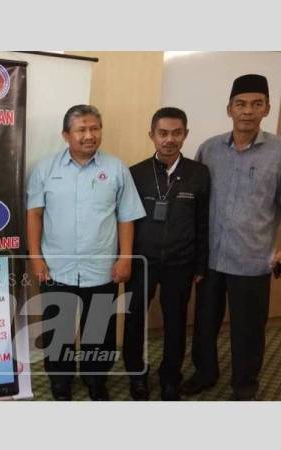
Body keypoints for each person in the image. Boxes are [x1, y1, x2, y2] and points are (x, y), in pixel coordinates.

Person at [26, 104, 146, 401]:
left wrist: (125, 257)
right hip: (56, 266)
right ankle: (60, 382)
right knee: (58, 328)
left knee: (100, 330)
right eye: (81, 130)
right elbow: (35, 216)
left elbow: (126, 217)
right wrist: (36, 257)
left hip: (102, 267)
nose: (89, 135)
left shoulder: (116, 169)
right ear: (66, 135)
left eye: (94, 128)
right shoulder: (45, 169)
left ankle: (96, 380)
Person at [182, 74, 281, 400]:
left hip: (252, 259)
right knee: (204, 323)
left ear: (267, 108)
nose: (248, 111)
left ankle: (245, 385)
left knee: (248, 330)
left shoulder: (277, 153)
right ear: (229, 109)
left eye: (256, 104)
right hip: (210, 257)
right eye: (241, 104)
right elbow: (193, 199)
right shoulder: (209, 149)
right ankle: (205, 372)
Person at [123, 107, 210, 401]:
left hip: (181, 264)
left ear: (185, 135)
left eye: (176, 133)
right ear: (152, 135)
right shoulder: (135, 173)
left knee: (175, 323)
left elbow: (203, 222)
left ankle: (170, 377)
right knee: (135, 321)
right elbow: (125, 222)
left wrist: (200, 264)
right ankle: (137, 377)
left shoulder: (199, 174)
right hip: (142, 263)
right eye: (163, 133)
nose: (169, 139)